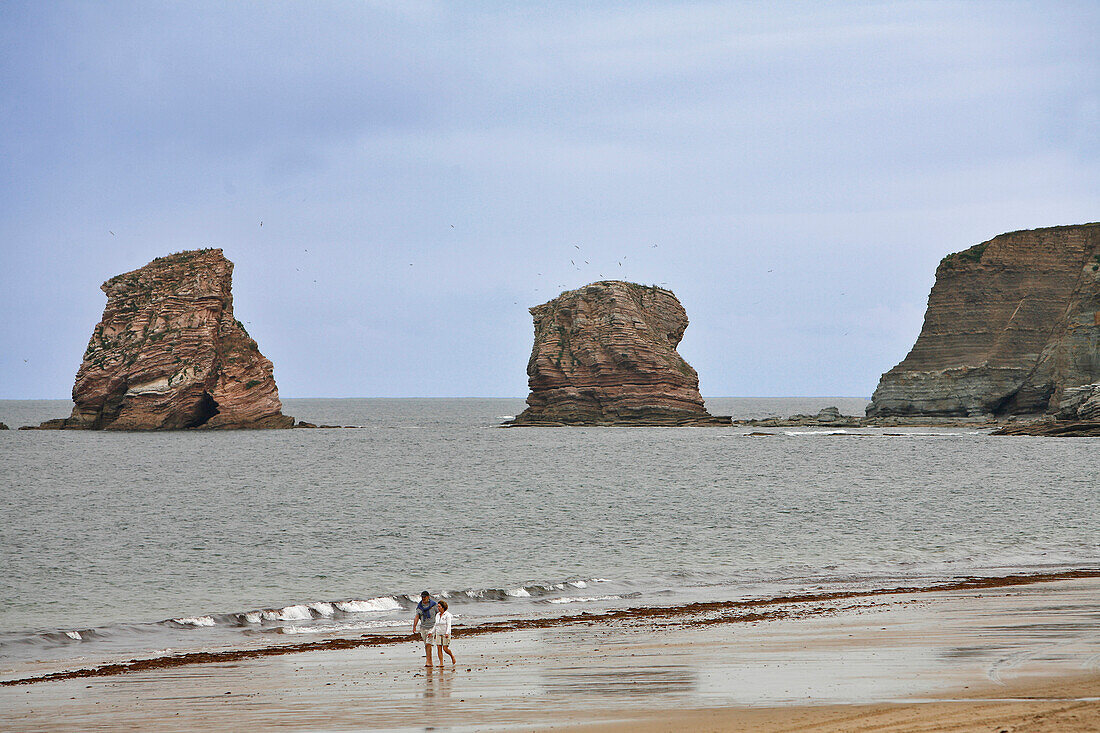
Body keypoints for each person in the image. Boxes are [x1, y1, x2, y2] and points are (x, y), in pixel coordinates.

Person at [411, 591, 439, 666]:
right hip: (423, 628)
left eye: (424, 597)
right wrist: (414, 627)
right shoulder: (419, 607)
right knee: (426, 645)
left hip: (432, 627)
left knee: (428, 644)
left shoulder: (434, 605)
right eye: (422, 597)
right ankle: (429, 660)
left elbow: (439, 614)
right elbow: (417, 617)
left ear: (428, 597)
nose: (423, 598)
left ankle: (429, 662)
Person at [432, 600, 456, 666]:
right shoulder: (437, 615)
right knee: (439, 647)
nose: (438, 608)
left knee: (445, 649)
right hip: (438, 633)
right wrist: (431, 632)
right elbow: (435, 625)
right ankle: (441, 663)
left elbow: (449, 625)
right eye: (438, 606)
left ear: (443, 607)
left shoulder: (447, 615)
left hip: (445, 633)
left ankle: (452, 656)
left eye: (439, 606)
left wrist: (447, 633)